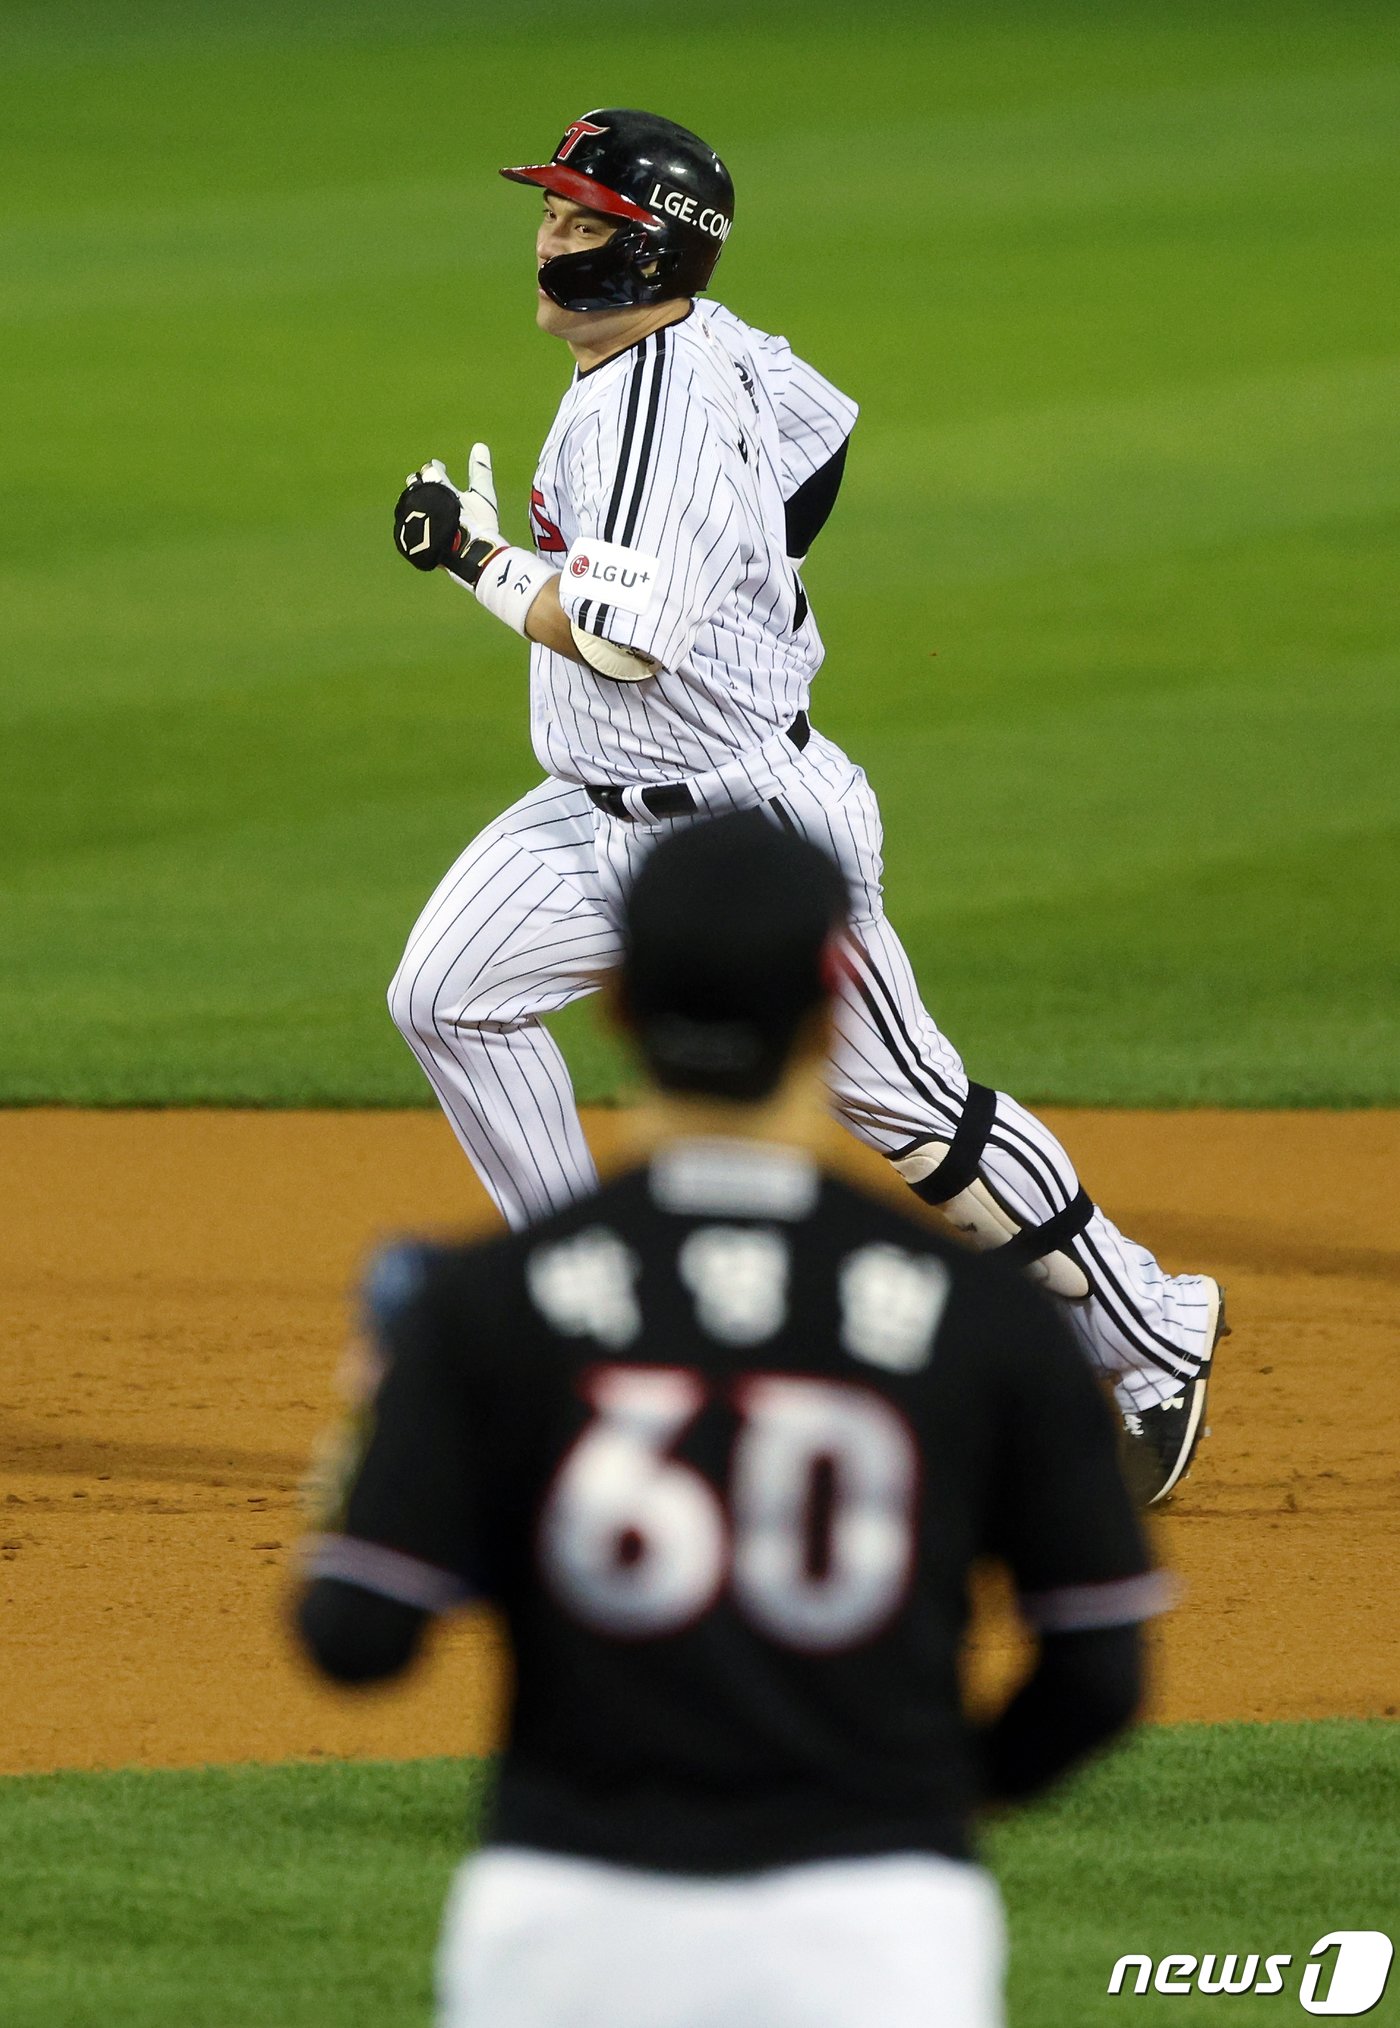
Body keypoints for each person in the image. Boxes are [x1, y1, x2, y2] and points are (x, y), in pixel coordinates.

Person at [386, 107, 1225, 1506]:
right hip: (593, 812)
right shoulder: (702, 353)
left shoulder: (655, 392)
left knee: (910, 1111)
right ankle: (593, 1337)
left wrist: (471, 555)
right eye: (553, 211)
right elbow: (820, 434)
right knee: (445, 993)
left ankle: (1147, 1333)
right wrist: (748, 573)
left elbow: (624, 637)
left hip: (747, 829)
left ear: (651, 247)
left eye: (582, 220)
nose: (548, 238)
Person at [299, 812, 1168, 2028]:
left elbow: (355, 1641)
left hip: (563, 1931)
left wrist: (372, 1413)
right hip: (876, 1934)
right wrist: (922, 1802)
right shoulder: (986, 1317)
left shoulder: (483, 1307)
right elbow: (1098, 1672)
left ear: (611, 1002)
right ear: (829, 1012)